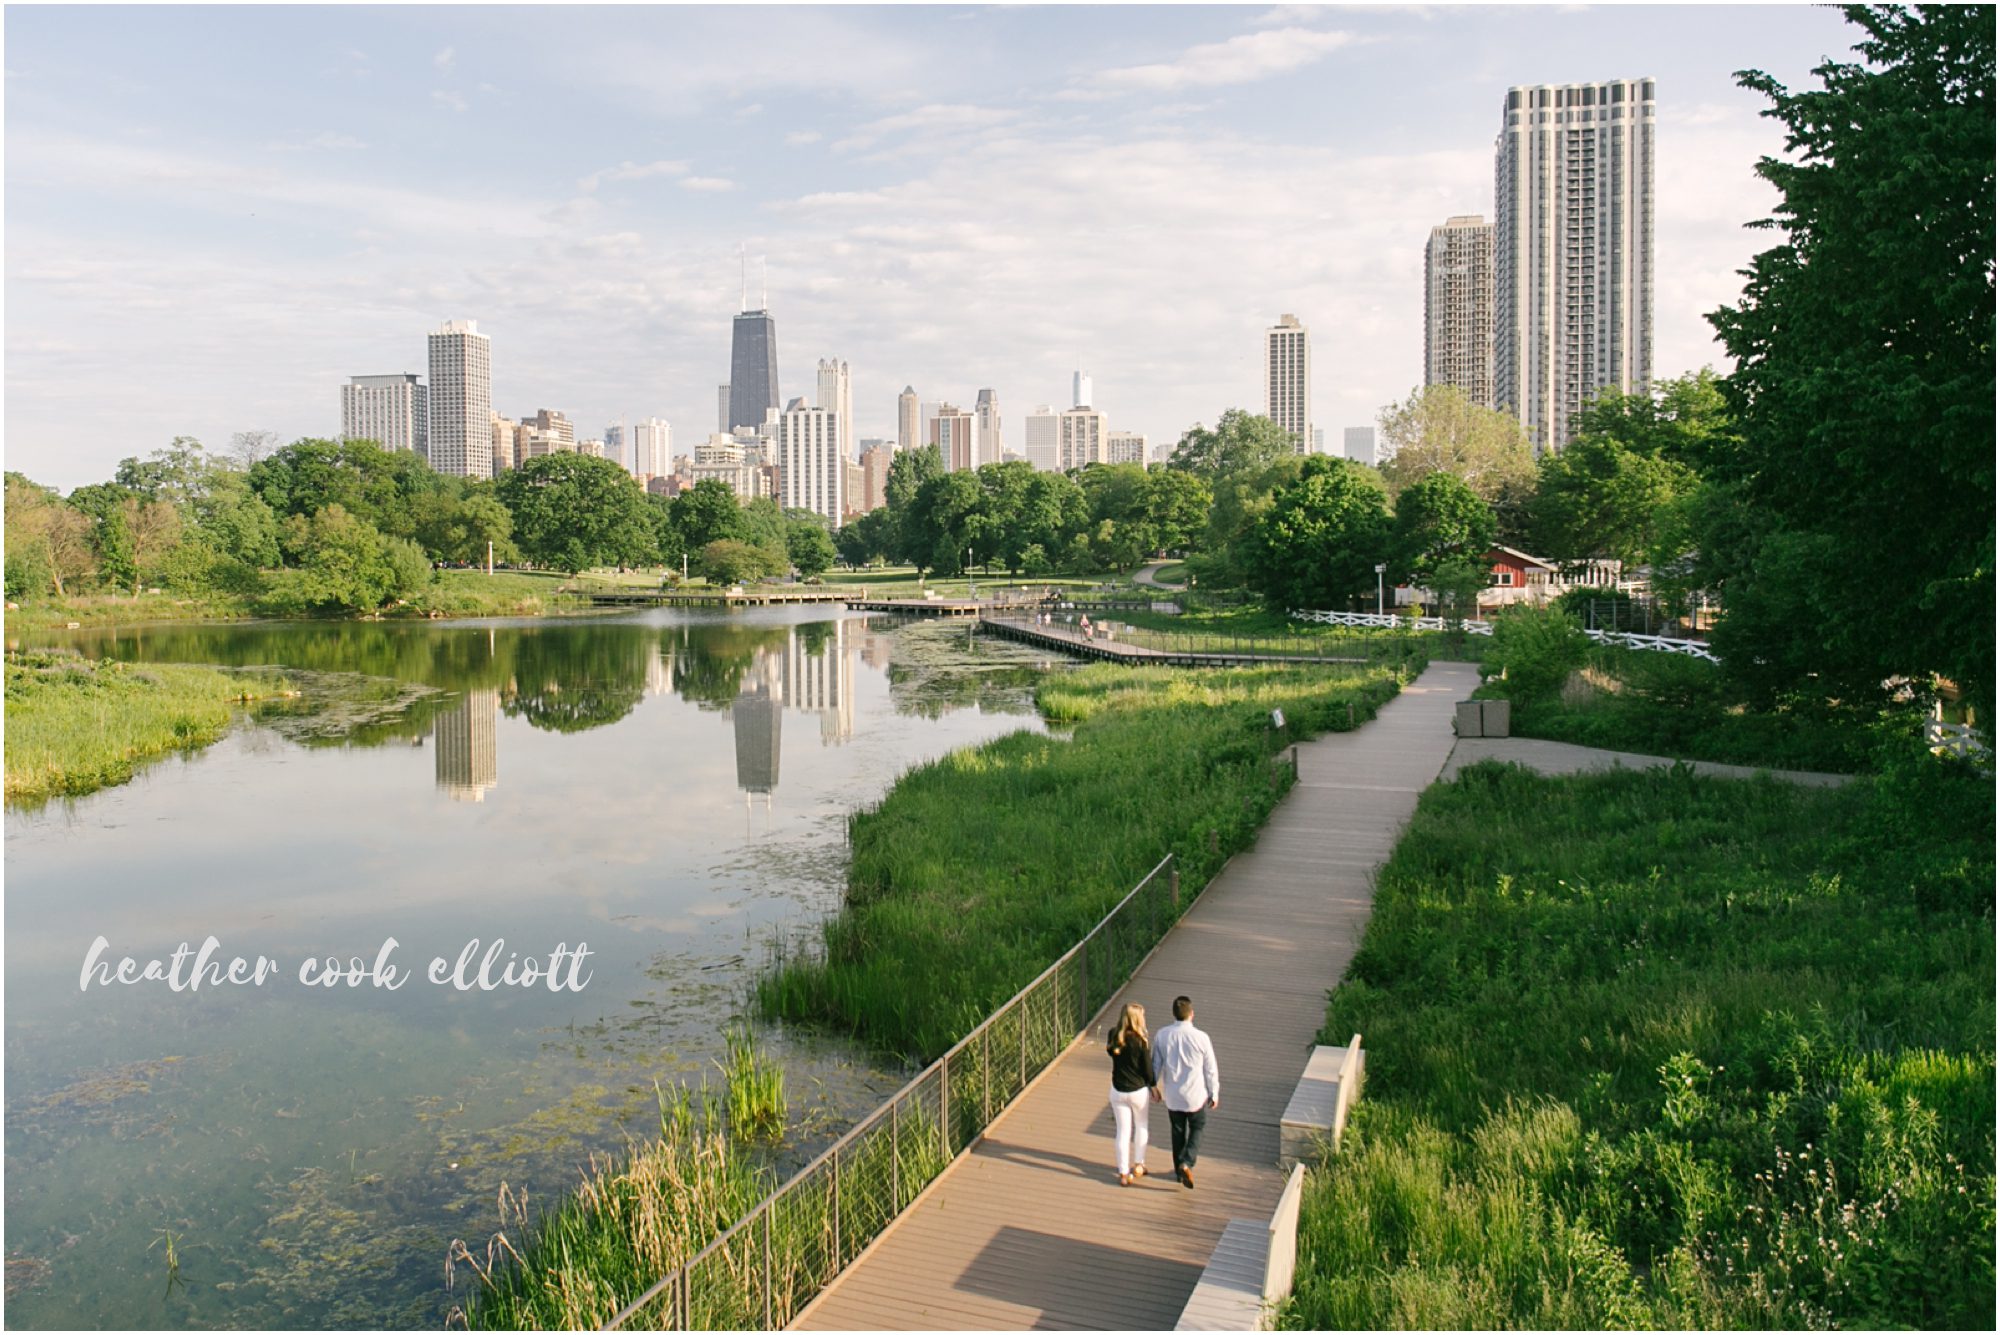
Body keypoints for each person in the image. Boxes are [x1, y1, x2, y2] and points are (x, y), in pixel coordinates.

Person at [1150, 995, 1220, 1189]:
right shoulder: (1202, 1038)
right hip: (1195, 1094)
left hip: (1173, 1095)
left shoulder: (1162, 1035)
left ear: (1174, 1014)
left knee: (1177, 1131)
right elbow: (1210, 1068)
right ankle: (1187, 1162)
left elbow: (1155, 1063)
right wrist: (1214, 1092)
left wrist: (1153, 1086)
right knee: (1198, 1127)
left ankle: (1178, 1172)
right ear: (1192, 1014)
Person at [1105, 1002, 1158, 1186]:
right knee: (1141, 1126)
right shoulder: (1140, 1041)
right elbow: (1148, 1070)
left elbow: (1111, 1053)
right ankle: (1139, 1164)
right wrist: (1153, 1086)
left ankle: (1123, 1172)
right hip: (1137, 1091)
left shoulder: (1113, 1035)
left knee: (1122, 1131)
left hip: (1118, 1090)